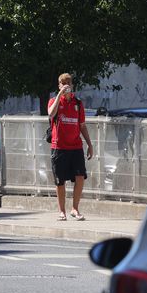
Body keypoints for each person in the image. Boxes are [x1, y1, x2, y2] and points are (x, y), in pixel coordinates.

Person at [48, 73, 93, 221]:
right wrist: (61, 94)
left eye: (68, 82)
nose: (66, 85)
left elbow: (82, 125)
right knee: (60, 180)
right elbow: (50, 113)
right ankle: (62, 211)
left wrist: (90, 144)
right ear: (59, 85)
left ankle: (75, 208)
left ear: (72, 84)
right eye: (63, 83)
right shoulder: (54, 101)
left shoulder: (78, 103)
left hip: (75, 146)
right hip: (59, 147)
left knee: (80, 177)